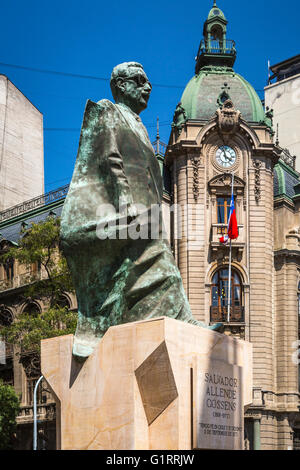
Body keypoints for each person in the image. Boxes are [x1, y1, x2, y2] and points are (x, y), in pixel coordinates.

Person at [60, 62, 222, 360]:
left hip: (143, 216)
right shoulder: (108, 111)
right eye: (139, 81)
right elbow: (109, 159)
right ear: (121, 85)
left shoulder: (139, 124)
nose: (148, 87)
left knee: (163, 263)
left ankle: (177, 317)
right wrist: (125, 204)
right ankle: (106, 324)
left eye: (148, 82)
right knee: (161, 260)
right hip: (115, 212)